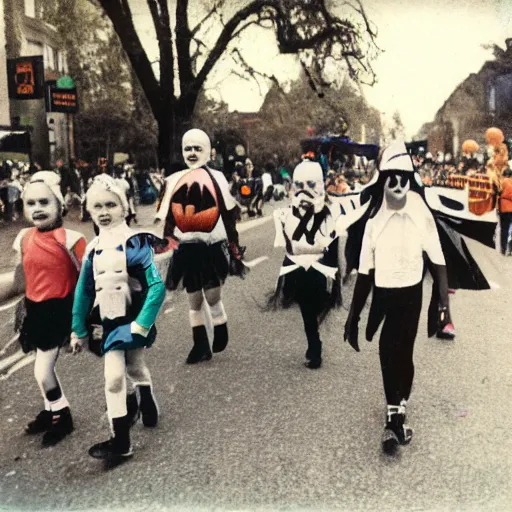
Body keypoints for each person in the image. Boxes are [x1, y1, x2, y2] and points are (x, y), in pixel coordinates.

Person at [344, 142, 453, 455]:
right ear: (383, 178)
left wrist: (444, 303)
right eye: (392, 176)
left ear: (411, 179)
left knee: (404, 351)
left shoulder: (420, 211)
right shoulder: (374, 219)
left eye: (404, 177)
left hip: (411, 293)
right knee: (386, 347)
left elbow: (438, 260)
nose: (398, 183)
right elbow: (365, 272)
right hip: (384, 292)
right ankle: (394, 416)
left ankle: (398, 405)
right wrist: (353, 317)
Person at [71, 174, 166, 463]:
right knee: (114, 378)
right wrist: (78, 330)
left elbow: (156, 287)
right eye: (96, 206)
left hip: (133, 316)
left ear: (124, 207)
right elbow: (84, 291)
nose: (103, 212)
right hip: (109, 321)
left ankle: (145, 402)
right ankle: (122, 440)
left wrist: (142, 323)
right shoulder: (92, 248)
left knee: (135, 366)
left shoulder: (135, 243)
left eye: (110, 205)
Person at [0, 171, 86, 446]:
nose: (37, 209)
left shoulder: (71, 239)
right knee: (41, 364)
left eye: (44, 202)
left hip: (59, 310)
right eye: (31, 203)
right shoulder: (23, 238)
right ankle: (51, 411)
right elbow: (20, 279)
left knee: (41, 369)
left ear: (59, 205)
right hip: (34, 309)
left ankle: (62, 413)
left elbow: (88, 279)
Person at [155, 129, 247, 364]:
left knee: (213, 294)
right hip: (186, 246)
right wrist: (167, 241)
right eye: (188, 148)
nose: (192, 153)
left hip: (211, 244)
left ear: (207, 151)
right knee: (193, 299)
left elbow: (228, 215)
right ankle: (200, 345)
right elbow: (169, 217)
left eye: (197, 148)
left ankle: (220, 324)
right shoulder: (174, 180)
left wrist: (233, 242)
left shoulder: (217, 178)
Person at [271, 161, 365, 369]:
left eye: (311, 185)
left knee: (315, 305)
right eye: (300, 185)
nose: (305, 191)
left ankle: (314, 343)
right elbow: (289, 246)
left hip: (320, 269)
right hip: (298, 270)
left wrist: (334, 276)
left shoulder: (328, 214)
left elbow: (332, 246)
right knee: (306, 308)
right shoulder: (288, 214)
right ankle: (314, 346)